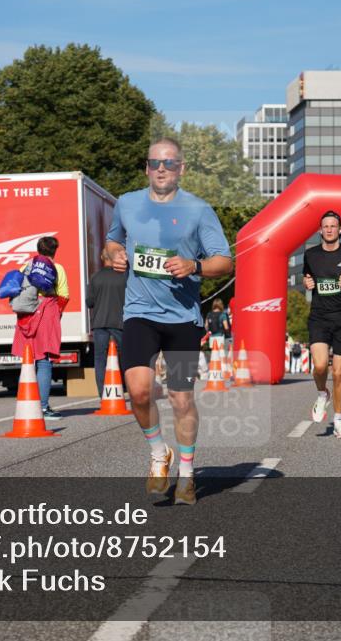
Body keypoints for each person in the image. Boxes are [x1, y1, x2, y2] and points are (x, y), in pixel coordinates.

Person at [105, 137, 233, 505]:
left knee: (180, 398)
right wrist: (114, 255)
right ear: (146, 168)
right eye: (155, 163)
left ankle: (188, 474)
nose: (162, 169)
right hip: (140, 313)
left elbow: (225, 262)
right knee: (140, 390)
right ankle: (159, 452)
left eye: (170, 163)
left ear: (182, 169)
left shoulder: (198, 209)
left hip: (182, 318)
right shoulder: (127, 203)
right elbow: (112, 243)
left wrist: (195, 265)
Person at [303, 210, 341, 438]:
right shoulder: (310, 254)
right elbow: (307, 277)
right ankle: (322, 394)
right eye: (325, 226)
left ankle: (338, 421)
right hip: (319, 317)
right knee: (320, 366)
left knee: (339, 373)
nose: (329, 229)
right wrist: (306, 282)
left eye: (333, 226)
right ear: (320, 230)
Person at [13, 236, 68, 419]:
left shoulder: (26, 266)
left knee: (28, 360)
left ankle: (26, 404)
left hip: (26, 316)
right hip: (47, 314)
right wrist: (56, 316)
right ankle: (43, 407)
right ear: (55, 250)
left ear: (38, 249)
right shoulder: (58, 269)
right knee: (44, 362)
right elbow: (64, 296)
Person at [86, 250, 127, 397]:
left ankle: (102, 391)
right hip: (119, 322)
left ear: (103, 259)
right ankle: (122, 388)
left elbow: (89, 302)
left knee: (100, 358)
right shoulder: (123, 277)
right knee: (123, 355)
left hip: (99, 323)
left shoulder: (95, 277)